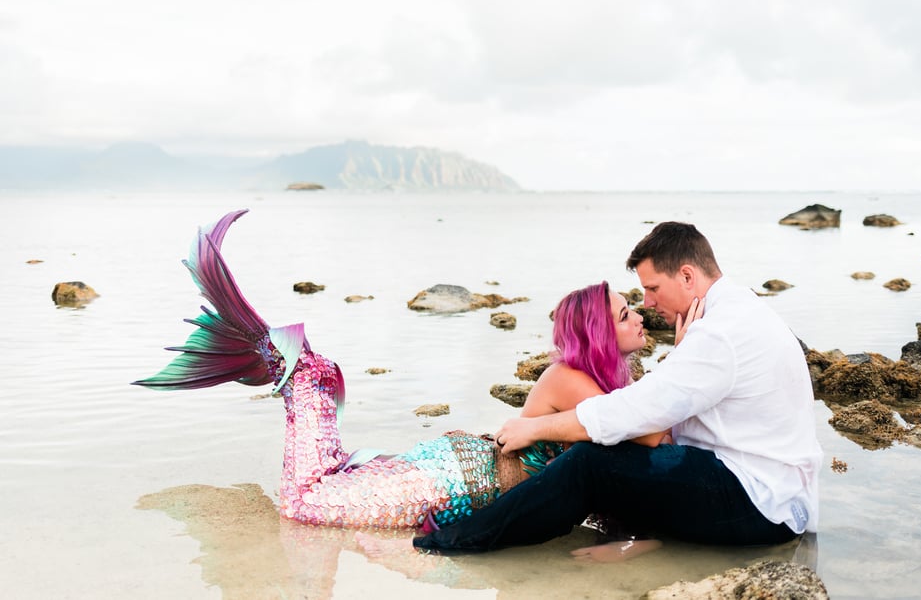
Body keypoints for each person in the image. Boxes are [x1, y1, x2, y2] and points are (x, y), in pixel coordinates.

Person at [132, 209, 671, 532]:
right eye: (626, 312)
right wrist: (690, 350)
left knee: (336, 478)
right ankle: (304, 373)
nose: (640, 313)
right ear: (602, 333)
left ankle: (305, 371)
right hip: (453, 482)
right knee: (304, 507)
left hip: (459, 472)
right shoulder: (572, 379)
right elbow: (654, 434)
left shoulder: (600, 383)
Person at [414, 221, 822, 552]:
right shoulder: (736, 313)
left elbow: (637, 417)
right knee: (610, 461)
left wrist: (535, 428)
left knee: (591, 465)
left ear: (686, 275)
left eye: (653, 288)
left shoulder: (719, 333)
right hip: (766, 495)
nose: (647, 302)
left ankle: (453, 542)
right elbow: (657, 413)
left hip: (757, 502)